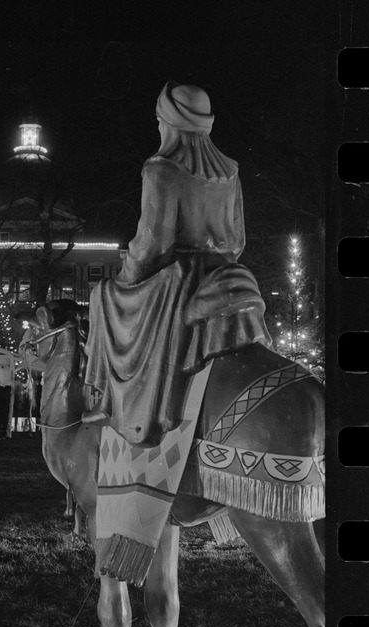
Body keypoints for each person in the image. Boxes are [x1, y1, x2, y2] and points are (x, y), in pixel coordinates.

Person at [82, 81, 272, 446]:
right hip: (228, 275)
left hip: (178, 279)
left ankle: (116, 405)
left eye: (159, 119)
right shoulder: (230, 171)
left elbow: (155, 243)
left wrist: (126, 276)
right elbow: (238, 240)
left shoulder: (161, 169)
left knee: (101, 297)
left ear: (169, 121)